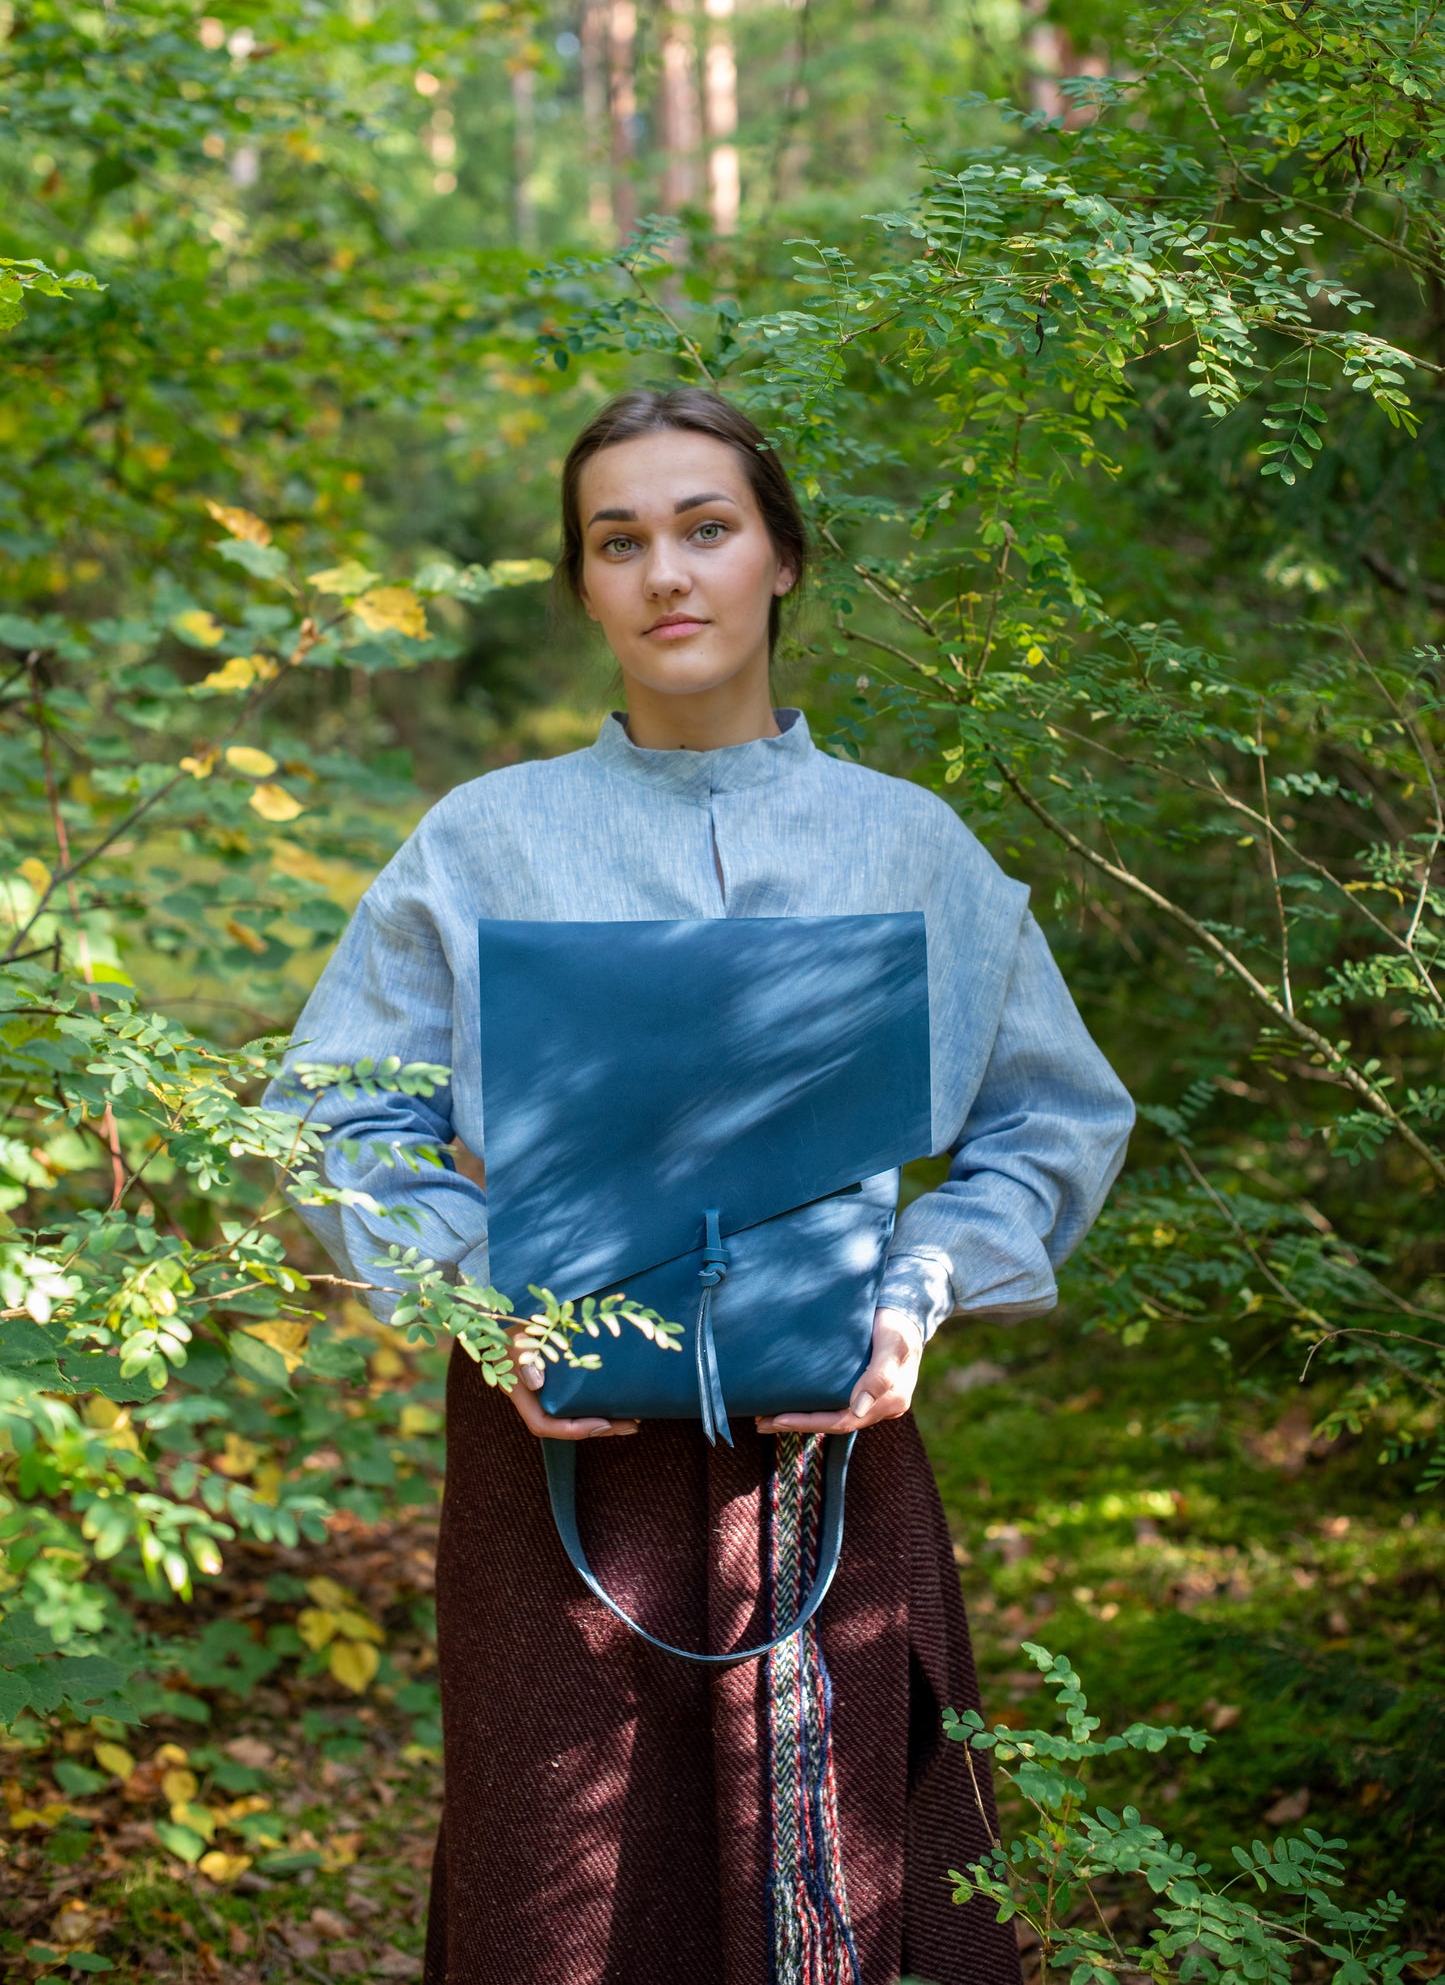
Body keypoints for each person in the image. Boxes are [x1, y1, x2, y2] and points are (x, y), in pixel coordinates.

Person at [266, 386, 1134, 1985]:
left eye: (705, 527)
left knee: (848, 1888)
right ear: (585, 585)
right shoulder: (483, 843)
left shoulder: (910, 846)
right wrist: (477, 1291)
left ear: (780, 560)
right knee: (559, 1897)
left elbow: (1051, 1116)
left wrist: (915, 1284)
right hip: (559, 1467)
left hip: (826, 1457)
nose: (666, 572)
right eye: (620, 540)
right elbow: (333, 1111)